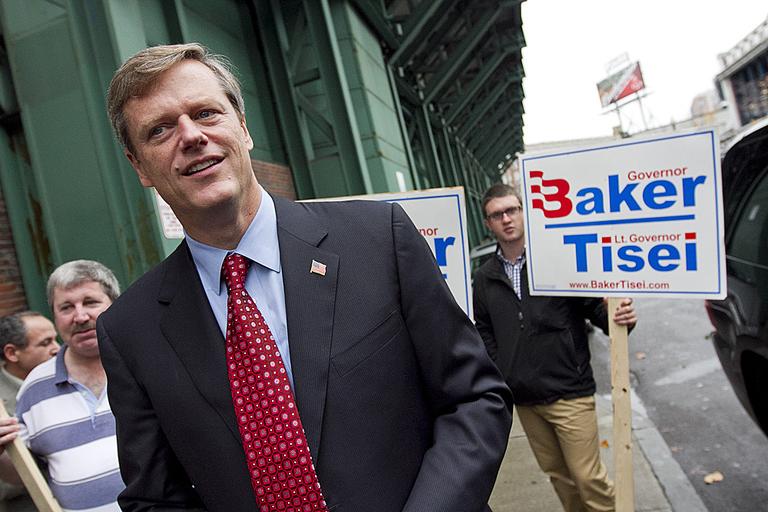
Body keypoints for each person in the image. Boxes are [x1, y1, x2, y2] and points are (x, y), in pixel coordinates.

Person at [97, 42, 512, 512]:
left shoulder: (379, 239)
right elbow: (155, 497)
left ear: (244, 128)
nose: (191, 136)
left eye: (206, 113)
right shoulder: (129, 330)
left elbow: (475, 399)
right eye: (160, 130)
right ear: (139, 167)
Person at [473, 183, 637, 512]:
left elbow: (597, 311)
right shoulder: (485, 277)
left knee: (587, 477)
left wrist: (620, 317)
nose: (506, 219)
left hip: (569, 390)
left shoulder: (558, 262)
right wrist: (502, 374)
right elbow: (484, 329)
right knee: (559, 476)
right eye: (497, 214)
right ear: (488, 224)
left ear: (524, 213)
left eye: (512, 210)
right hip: (525, 398)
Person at [0, 260, 124, 512]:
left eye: (90, 302)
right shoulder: (33, 389)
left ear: (115, 304)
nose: (80, 316)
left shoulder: (149, 365)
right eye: (66, 307)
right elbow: (22, 475)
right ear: (55, 317)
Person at [0, 311, 59, 511]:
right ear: (12, 353)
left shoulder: (65, 379)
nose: (57, 349)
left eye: (56, 339)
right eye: (45, 343)